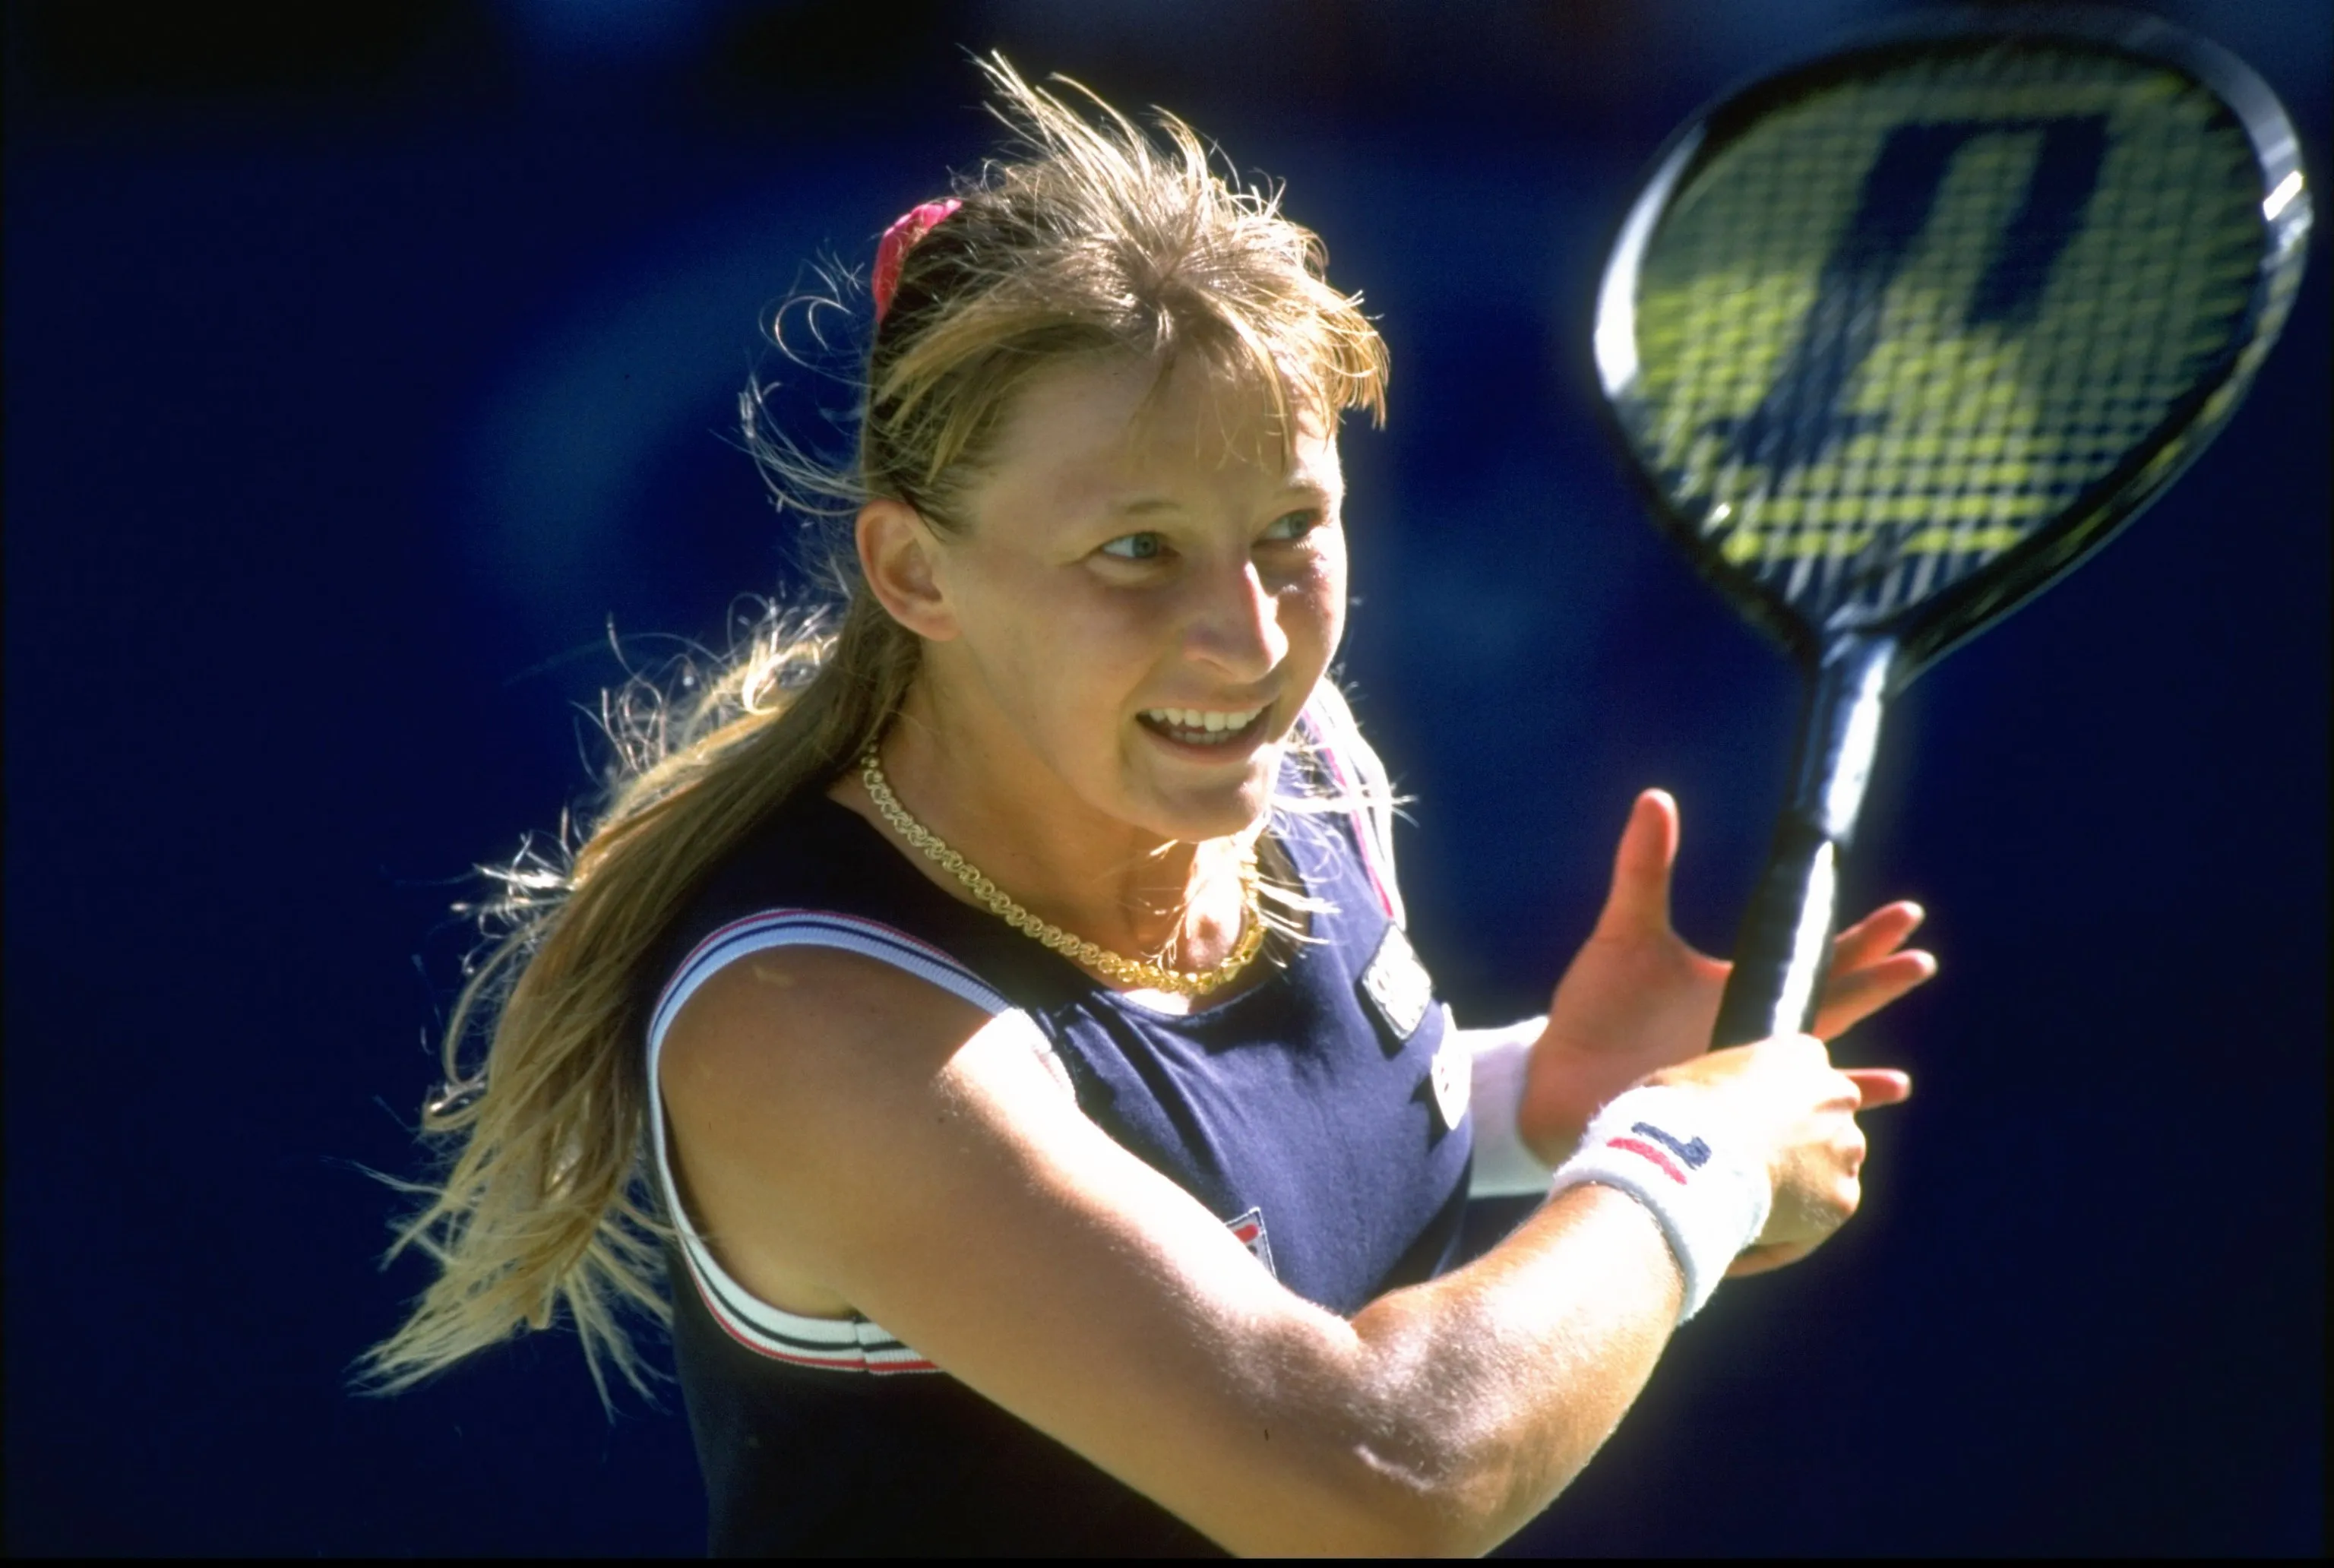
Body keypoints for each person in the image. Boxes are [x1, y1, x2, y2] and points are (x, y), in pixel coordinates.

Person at [365, 58, 1936, 1557]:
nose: (1251, 641)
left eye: (1293, 530)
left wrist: (1537, 1100)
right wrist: (1689, 1163)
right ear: (915, 571)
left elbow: (1220, 1148)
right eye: (1135, 550)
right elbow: (1381, 1477)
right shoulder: (813, 1029)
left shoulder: (1300, 760)